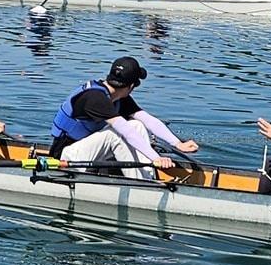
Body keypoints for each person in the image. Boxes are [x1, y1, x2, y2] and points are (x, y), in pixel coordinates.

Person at [49, 56, 199, 180]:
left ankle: (148, 177)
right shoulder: (95, 98)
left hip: (88, 152)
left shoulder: (118, 97)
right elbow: (126, 131)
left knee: (137, 125)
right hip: (67, 158)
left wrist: (178, 143)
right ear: (131, 86)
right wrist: (155, 158)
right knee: (117, 134)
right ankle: (142, 185)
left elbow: (148, 120)